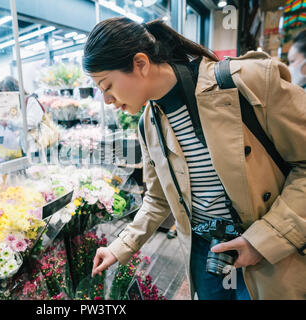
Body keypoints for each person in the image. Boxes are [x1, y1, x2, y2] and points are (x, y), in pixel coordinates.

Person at [85, 17, 306, 300]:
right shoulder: (149, 124)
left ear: (140, 64)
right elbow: (157, 199)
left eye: (107, 86)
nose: (107, 100)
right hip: (205, 254)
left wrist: (262, 241)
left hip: (270, 252)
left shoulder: (244, 83)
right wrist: (120, 246)